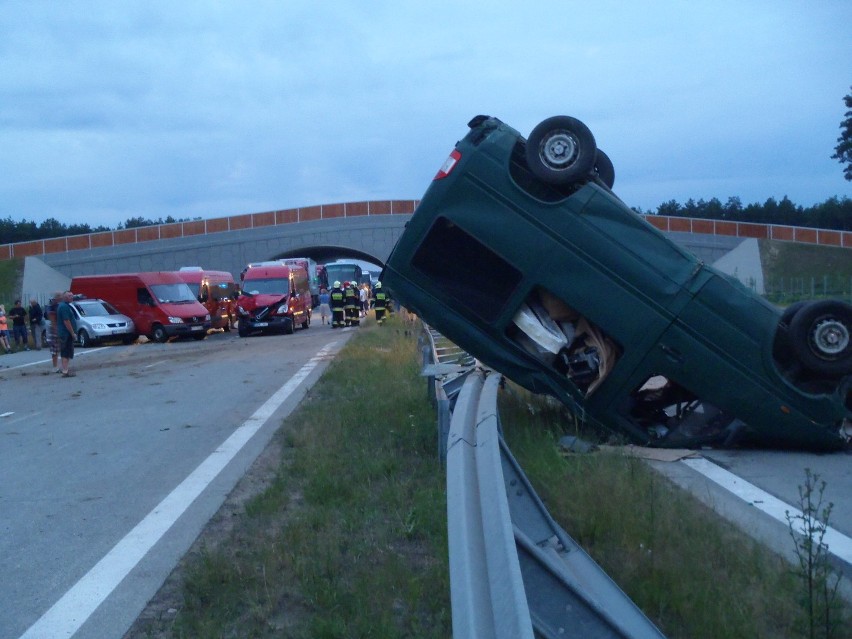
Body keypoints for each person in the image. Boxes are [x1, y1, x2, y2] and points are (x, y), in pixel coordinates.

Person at [57, 291, 77, 377]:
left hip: (65, 333)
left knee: (68, 351)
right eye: (69, 296)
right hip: (65, 333)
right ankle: (65, 371)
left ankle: (66, 369)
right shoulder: (64, 307)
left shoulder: (65, 306)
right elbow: (66, 321)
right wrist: (72, 333)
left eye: (72, 296)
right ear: (64, 297)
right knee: (65, 351)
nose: (71, 297)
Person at [45, 292, 61, 372]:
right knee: (55, 348)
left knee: (57, 348)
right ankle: (55, 366)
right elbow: (52, 318)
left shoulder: (58, 304)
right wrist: (55, 329)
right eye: (61, 296)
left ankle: (59, 365)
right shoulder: (51, 305)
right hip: (53, 328)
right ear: (57, 297)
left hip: (57, 327)